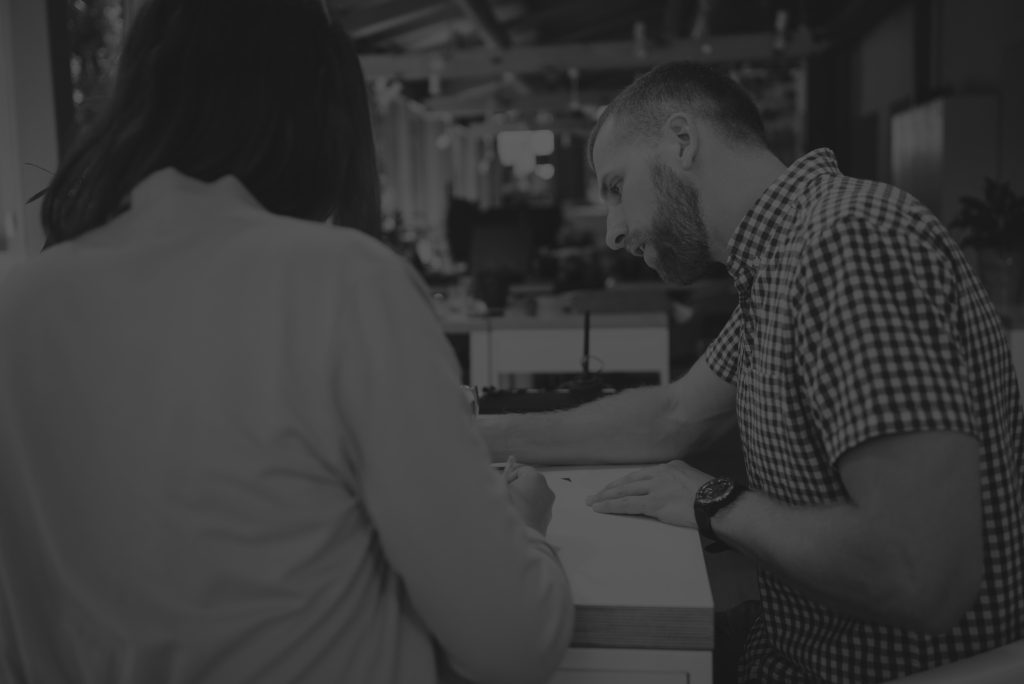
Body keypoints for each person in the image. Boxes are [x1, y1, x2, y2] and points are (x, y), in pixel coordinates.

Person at [0, 2, 573, 683]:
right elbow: (512, 643)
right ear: (318, 109)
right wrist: (526, 530)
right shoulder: (346, 285)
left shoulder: (21, 308)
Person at [478, 61, 1024, 683]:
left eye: (616, 187)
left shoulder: (846, 241)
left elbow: (923, 575)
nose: (613, 231)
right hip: (792, 641)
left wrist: (717, 503)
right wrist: (472, 438)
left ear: (682, 142)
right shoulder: (782, 260)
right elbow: (673, 415)